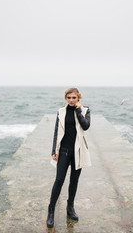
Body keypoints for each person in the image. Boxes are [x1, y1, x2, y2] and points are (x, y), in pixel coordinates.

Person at [46, 87, 91, 228]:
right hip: (64, 150)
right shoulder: (61, 111)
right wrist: (54, 150)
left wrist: (78, 110)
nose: (71, 100)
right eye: (69, 98)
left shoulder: (85, 110)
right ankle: (51, 211)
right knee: (59, 180)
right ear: (66, 98)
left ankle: (70, 208)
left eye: (74, 98)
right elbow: (56, 132)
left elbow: (86, 126)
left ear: (78, 98)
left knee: (74, 180)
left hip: (78, 151)